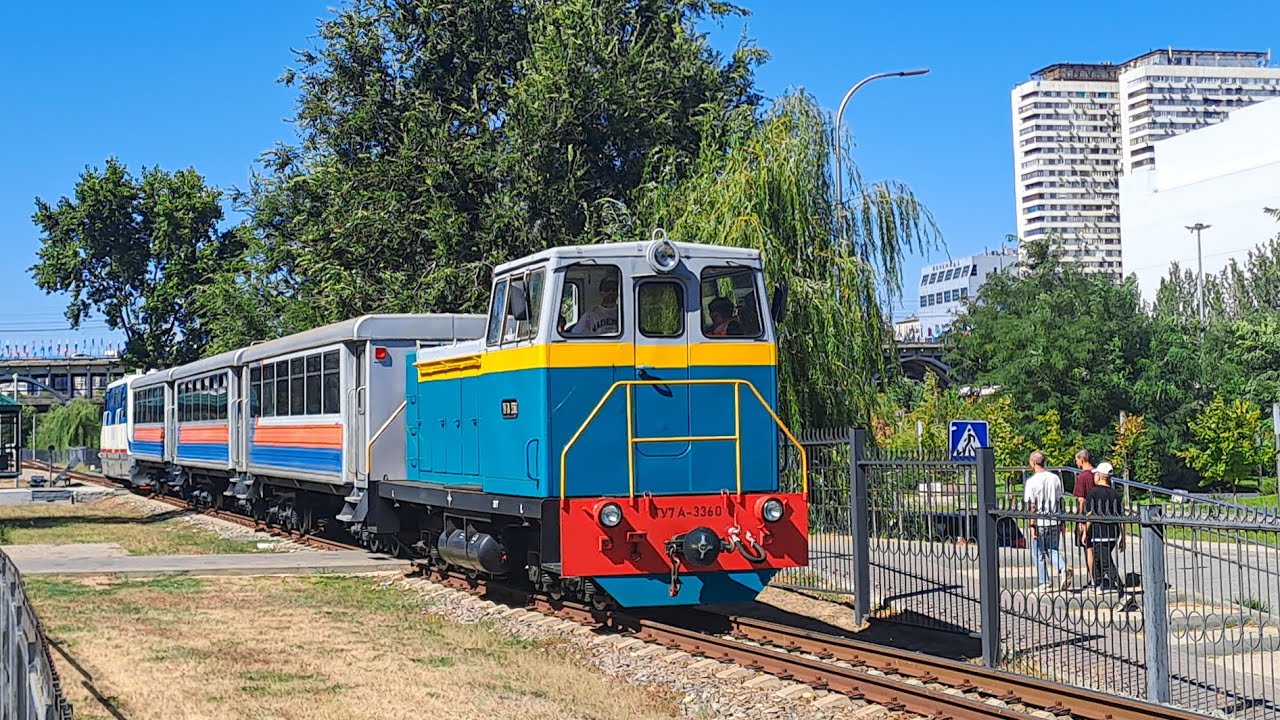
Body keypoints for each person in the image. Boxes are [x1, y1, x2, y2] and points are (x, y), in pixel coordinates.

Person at [1083, 462, 1137, 610]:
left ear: (1100, 476)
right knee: (1099, 558)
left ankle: (1122, 593)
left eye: (1096, 474)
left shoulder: (1093, 492)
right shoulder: (1115, 494)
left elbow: (1090, 514)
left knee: (1106, 563)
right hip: (1113, 533)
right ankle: (1098, 583)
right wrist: (1123, 537)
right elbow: (1121, 517)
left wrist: (1085, 531)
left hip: (1099, 532)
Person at [1024, 451, 1071, 592]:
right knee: (1053, 549)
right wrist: (1062, 521)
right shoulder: (1054, 478)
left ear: (1033, 462)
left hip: (1040, 521)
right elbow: (1060, 500)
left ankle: (1044, 582)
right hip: (1054, 519)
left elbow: (1032, 505)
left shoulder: (1031, 481)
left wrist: (1031, 525)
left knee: (1038, 552)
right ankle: (1062, 567)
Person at [1072, 449, 1098, 588]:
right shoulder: (1098, 475)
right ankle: (1099, 576)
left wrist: (1081, 520)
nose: (1076, 463)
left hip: (1087, 516)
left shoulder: (1082, 477)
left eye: (1077, 460)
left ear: (1082, 459)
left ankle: (1093, 579)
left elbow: (1081, 500)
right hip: (1100, 515)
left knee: (1088, 548)